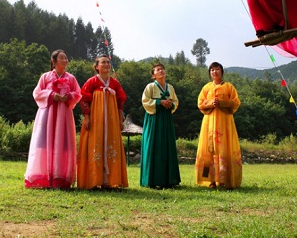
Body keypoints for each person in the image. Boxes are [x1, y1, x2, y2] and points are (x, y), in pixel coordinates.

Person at [24, 49, 82, 189]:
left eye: (66, 58)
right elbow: (37, 93)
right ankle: (43, 177)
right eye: (62, 58)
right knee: (45, 143)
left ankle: (60, 178)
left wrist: (68, 96)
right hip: (47, 115)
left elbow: (78, 93)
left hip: (64, 115)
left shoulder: (71, 78)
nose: (65, 60)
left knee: (63, 145)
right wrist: (51, 95)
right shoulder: (45, 77)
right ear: (54, 61)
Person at [77, 55, 128, 189]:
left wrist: (120, 119)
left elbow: (120, 102)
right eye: (103, 62)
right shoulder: (92, 82)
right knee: (95, 144)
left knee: (112, 144)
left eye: (108, 62)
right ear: (96, 67)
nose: (106, 64)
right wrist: (87, 118)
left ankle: (110, 181)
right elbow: (83, 100)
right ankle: (94, 180)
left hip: (111, 120)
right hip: (96, 119)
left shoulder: (115, 83)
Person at [194, 62, 242, 189]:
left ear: (222, 71)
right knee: (208, 150)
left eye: (217, 69)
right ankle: (210, 180)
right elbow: (200, 104)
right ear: (210, 73)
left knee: (225, 149)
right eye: (212, 70)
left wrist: (221, 102)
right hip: (209, 123)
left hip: (225, 123)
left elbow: (236, 103)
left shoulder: (229, 87)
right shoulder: (206, 88)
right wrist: (211, 103)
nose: (214, 72)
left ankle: (227, 180)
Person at [140, 63, 181, 189]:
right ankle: (152, 180)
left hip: (166, 119)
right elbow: (145, 101)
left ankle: (169, 180)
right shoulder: (150, 87)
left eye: (162, 69)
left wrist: (171, 104)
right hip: (154, 119)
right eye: (157, 70)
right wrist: (159, 102)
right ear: (153, 75)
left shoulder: (170, 87)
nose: (161, 71)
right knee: (154, 146)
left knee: (167, 146)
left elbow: (176, 101)